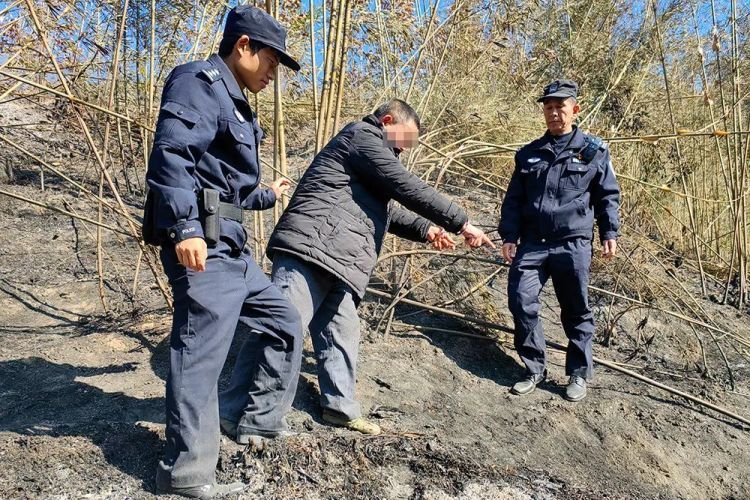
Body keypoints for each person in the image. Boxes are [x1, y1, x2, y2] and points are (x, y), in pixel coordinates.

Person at [237, 99, 493, 435]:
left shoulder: (373, 160)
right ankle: (249, 417)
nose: (405, 148)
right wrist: (462, 222)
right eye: (405, 139)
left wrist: (427, 229)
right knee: (282, 332)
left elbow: (388, 209)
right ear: (387, 121)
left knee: (342, 335)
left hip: (341, 261)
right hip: (310, 250)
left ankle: (339, 409)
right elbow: (403, 184)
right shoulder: (361, 136)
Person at [144, 6, 303, 498]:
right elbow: (172, 155)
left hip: (233, 249)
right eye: (272, 60)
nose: (275, 72)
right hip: (203, 247)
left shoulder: (238, 104)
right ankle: (185, 474)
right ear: (243, 47)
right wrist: (186, 226)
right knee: (200, 355)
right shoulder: (199, 82)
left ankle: (250, 420)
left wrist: (267, 194)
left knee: (284, 322)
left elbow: (227, 190)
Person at [499, 79, 621, 402]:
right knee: (520, 300)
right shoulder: (528, 155)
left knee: (576, 309)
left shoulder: (593, 150)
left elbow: (608, 195)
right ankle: (534, 367)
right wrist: (509, 235)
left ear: (574, 109)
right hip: (533, 243)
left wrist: (609, 231)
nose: (554, 113)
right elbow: (513, 199)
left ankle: (578, 373)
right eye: (548, 107)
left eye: (560, 107)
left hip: (573, 244)